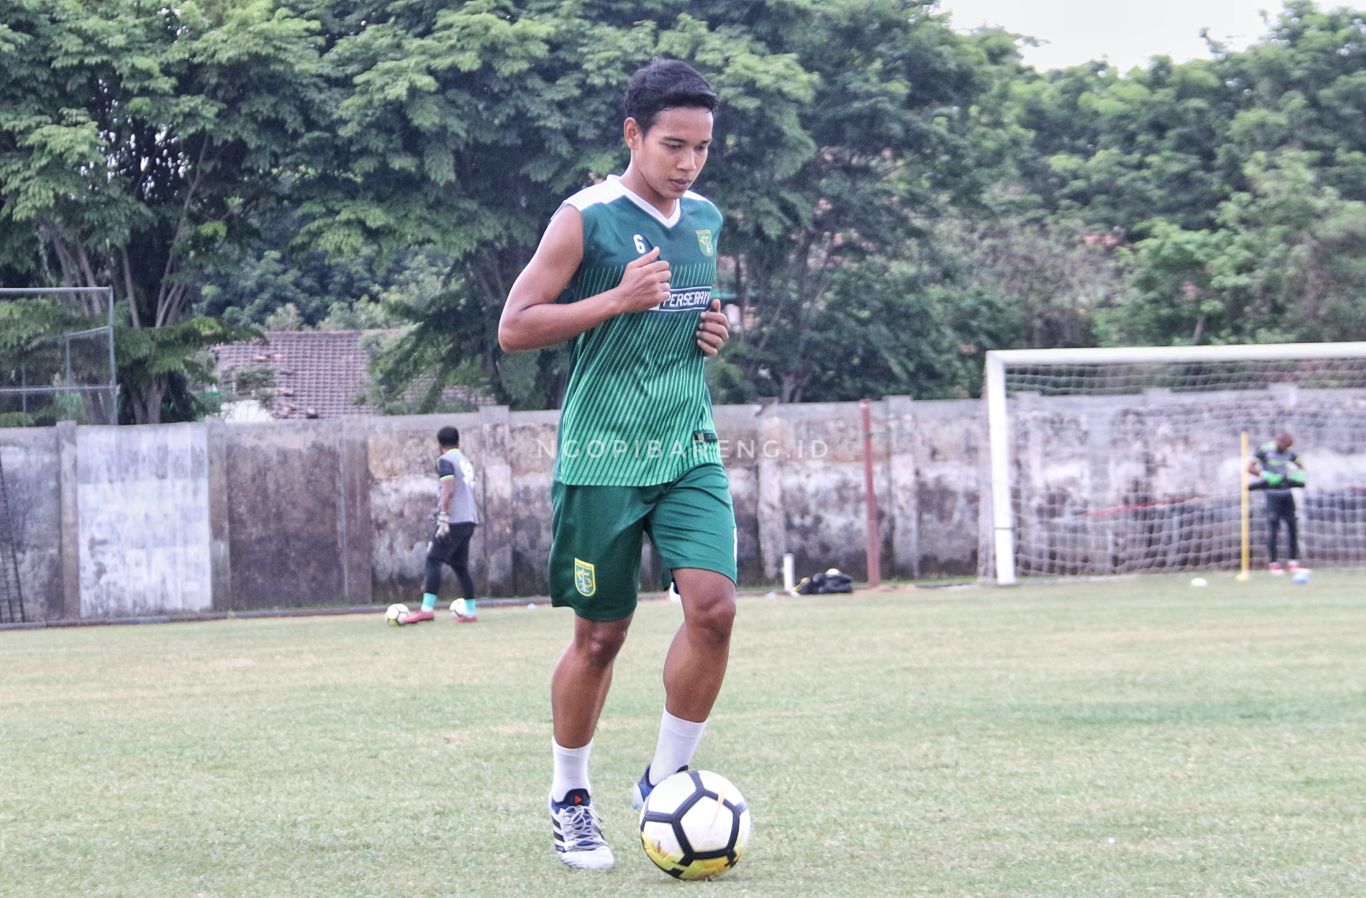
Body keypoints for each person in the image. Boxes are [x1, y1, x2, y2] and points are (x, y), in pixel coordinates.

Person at [498, 58, 736, 872]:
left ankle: (665, 782)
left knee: (714, 609)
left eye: (702, 147)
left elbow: (692, 316)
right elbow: (516, 326)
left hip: (688, 445)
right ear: (633, 134)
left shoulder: (706, 219)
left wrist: (713, 333)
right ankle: (570, 798)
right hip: (603, 453)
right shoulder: (585, 219)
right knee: (601, 637)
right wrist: (614, 300)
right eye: (674, 144)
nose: (688, 163)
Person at [400, 425, 480, 623]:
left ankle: (427, 609)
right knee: (460, 565)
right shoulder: (464, 461)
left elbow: (448, 488)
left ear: (439, 445)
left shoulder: (445, 460)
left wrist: (444, 516)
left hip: (454, 519)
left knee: (433, 559)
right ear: (457, 442)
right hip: (469, 518)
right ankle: (470, 612)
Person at [1248, 430, 1306, 574]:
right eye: (1284, 446)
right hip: (1272, 494)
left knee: (1292, 527)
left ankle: (1293, 563)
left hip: (1287, 493)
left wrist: (1296, 475)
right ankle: (1273, 564)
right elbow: (1249, 467)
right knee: (1274, 528)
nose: (1286, 449)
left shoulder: (1289, 453)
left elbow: (1301, 466)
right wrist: (1264, 474)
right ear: (1279, 442)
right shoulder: (1264, 450)